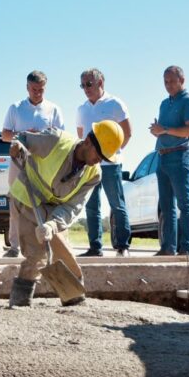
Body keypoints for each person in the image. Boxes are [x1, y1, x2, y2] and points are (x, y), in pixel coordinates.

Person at [7, 121, 124, 307]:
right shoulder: (55, 140)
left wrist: (52, 225)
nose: (99, 160)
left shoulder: (94, 175)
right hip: (27, 198)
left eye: (104, 158)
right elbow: (23, 138)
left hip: (54, 209)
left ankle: (74, 297)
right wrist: (17, 145)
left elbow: (74, 207)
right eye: (99, 154)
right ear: (88, 141)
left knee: (63, 250)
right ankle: (20, 300)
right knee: (36, 254)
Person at [1, 70, 65, 257]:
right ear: (27, 87)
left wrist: (43, 136)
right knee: (16, 201)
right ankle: (15, 247)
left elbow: (61, 137)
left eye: (41, 90)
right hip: (19, 161)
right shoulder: (16, 108)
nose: (37, 93)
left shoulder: (53, 109)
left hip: (44, 163)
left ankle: (44, 246)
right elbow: (5, 135)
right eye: (34, 89)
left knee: (44, 203)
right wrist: (24, 135)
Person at [75, 68, 132, 257]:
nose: (85, 88)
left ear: (101, 83)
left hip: (111, 165)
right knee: (91, 206)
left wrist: (111, 154)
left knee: (117, 204)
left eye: (89, 84)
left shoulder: (115, 104)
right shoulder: (82, 109)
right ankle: (95, 247)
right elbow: (81, 136)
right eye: (82, 85)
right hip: (89, 166)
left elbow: (127, 133)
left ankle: (123, 246)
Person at [149, 66, 189, 258]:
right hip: (162, 157)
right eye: (165, 81)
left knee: (184, 204)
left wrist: (164, 129)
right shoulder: (164, 103)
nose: (168, 85)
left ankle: (186, 248)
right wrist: (157, 131)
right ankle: (168, 247)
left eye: (171, 81)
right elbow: (164, 129)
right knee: (166, 205)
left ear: (182, 80)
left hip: (179, 157)